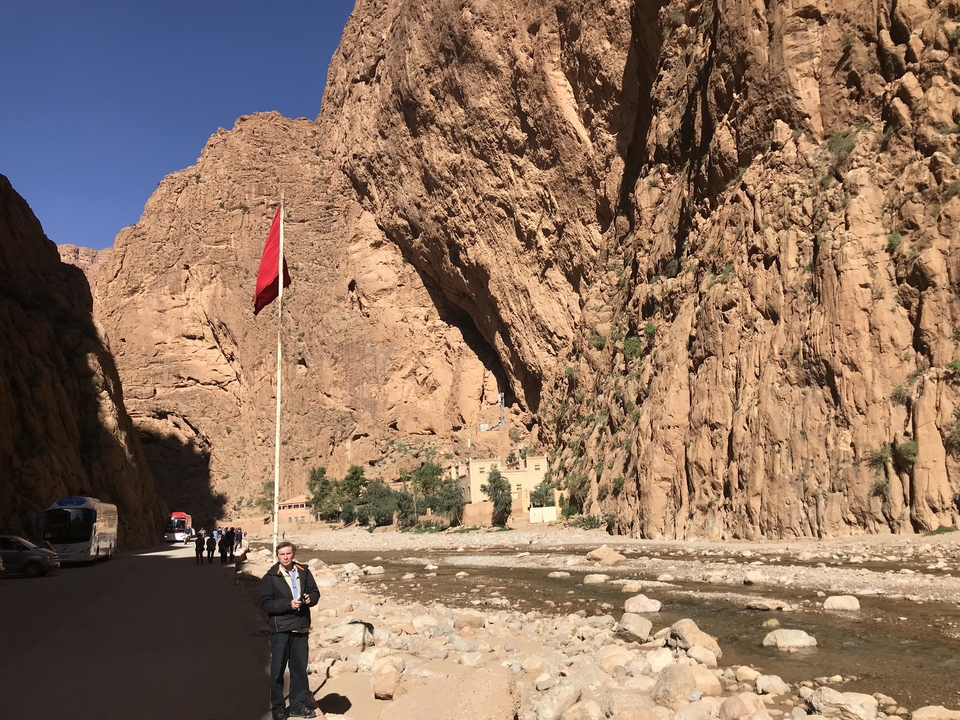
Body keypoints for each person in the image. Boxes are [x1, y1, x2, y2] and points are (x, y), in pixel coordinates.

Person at [260, 542, 321, 720]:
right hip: (281, 628)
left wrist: (311, 599)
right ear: (277, 556)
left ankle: (298, 705)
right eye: (282, 554)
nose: (286, 557)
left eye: (288, 554)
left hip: (300, 626)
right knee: (278, 669)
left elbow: (315, 592)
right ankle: (278, 708)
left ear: (293, 554)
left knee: (299, 669)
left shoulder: (304, 571)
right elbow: (265, 603)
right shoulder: (270, 577)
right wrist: (288, 604)